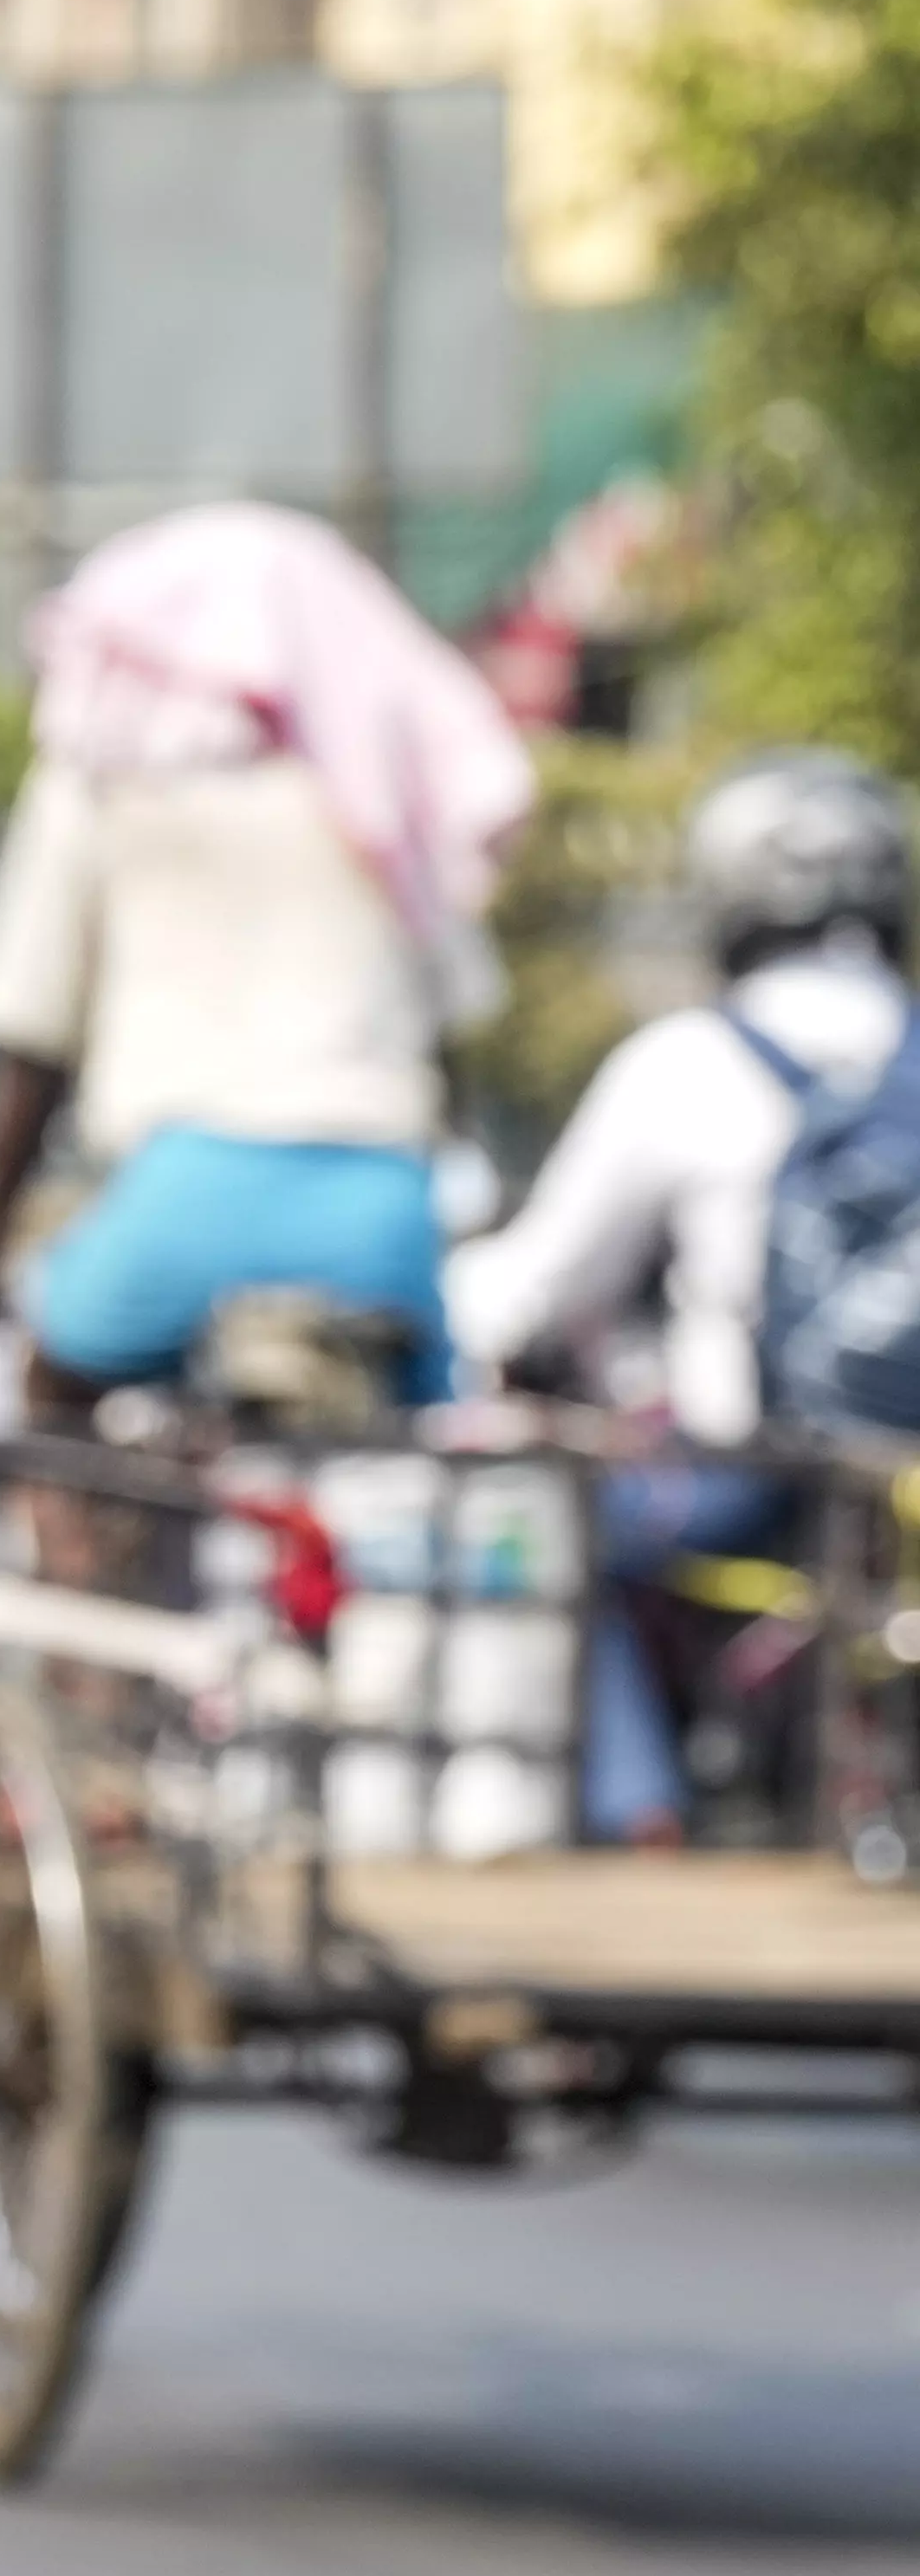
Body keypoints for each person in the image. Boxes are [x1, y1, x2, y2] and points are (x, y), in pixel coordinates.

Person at [0, 503, 539, 1419]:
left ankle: (67, 1560)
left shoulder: (105, 761)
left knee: (55, 1379)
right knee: (405, 1463)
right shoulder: (374, 779)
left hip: (183, 1193)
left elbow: (30, 1032)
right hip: (381, 1208)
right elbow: (456, 1029)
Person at [444, 748, 915, 1838]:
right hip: (900, 1490)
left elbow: (528, 1289)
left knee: (557, 1539)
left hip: (759, 1474)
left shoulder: (688, 1061)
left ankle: (642, 1817)